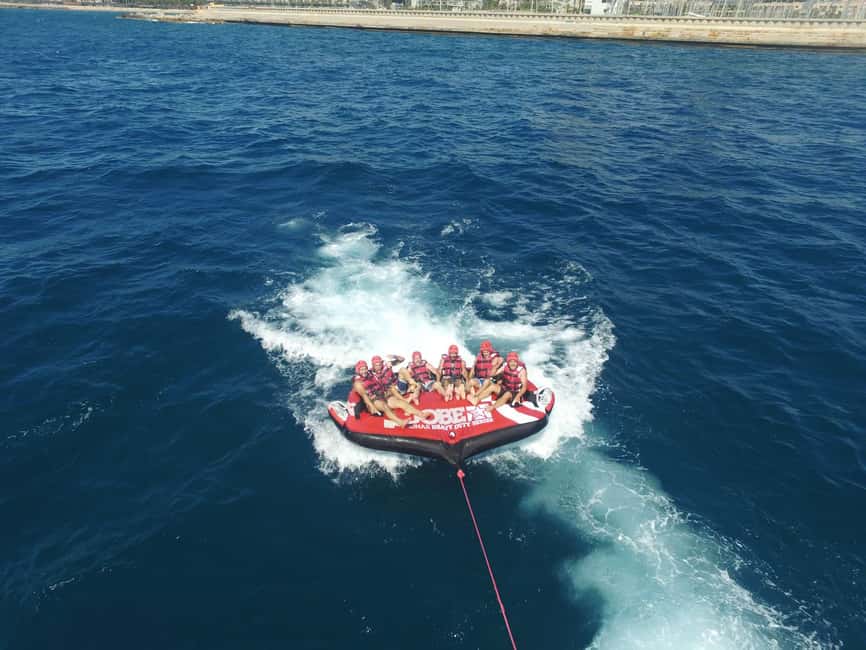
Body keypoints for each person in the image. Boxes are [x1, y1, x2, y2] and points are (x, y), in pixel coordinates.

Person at [370, 355, 432, 421]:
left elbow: (402, 359)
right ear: (373, 365)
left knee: (402, 369)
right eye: (376, 365)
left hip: (399, 386)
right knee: (399, 402)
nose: (379, 366)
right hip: (390, 394)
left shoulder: (387, 365)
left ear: (382, 363)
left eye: (380, 364)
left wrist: (394, 356)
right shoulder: (370, 374)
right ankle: (420, 414)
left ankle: (413, 385)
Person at [352, 360, 409, 427]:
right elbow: (364, 396)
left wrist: (390, 363)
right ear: (358, 371)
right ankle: (400, 422)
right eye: (361, 370)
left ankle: (405, 409)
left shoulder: (369, 373)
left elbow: (378, 368)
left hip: (379, 396)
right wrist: (372, 406)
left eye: (365, 369)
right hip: (372, 402)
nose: (364, 371)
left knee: (391, 392)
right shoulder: (358, 382)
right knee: (384, 406)